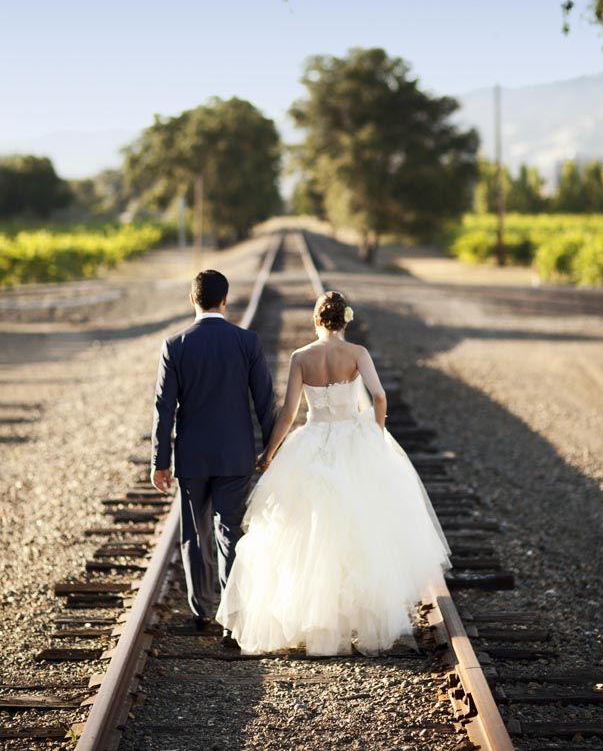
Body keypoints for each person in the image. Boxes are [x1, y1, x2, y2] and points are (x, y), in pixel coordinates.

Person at [216, 290, 452, 656]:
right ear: (345, 322)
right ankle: (359, 623)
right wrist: (375, 432)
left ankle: (318, 624)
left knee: (308, 533)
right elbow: (379, 397)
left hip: (312, 441)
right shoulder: (357, 354)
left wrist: (270, 452)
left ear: (316, 321)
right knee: (360, 531)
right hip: (351, 439)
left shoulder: (301, 357)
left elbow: (290, 411)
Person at [150, 269, 277, 637]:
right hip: (236, 454)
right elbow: (265, 403)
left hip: (192, 457)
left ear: (192, 300)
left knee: (195, 533)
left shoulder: (175, 345)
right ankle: (233, 615)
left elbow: (163, 409)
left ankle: (201, 610)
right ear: (225, 300)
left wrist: (160, 462)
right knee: (230, 533)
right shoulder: (247, 341)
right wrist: (271, 450)